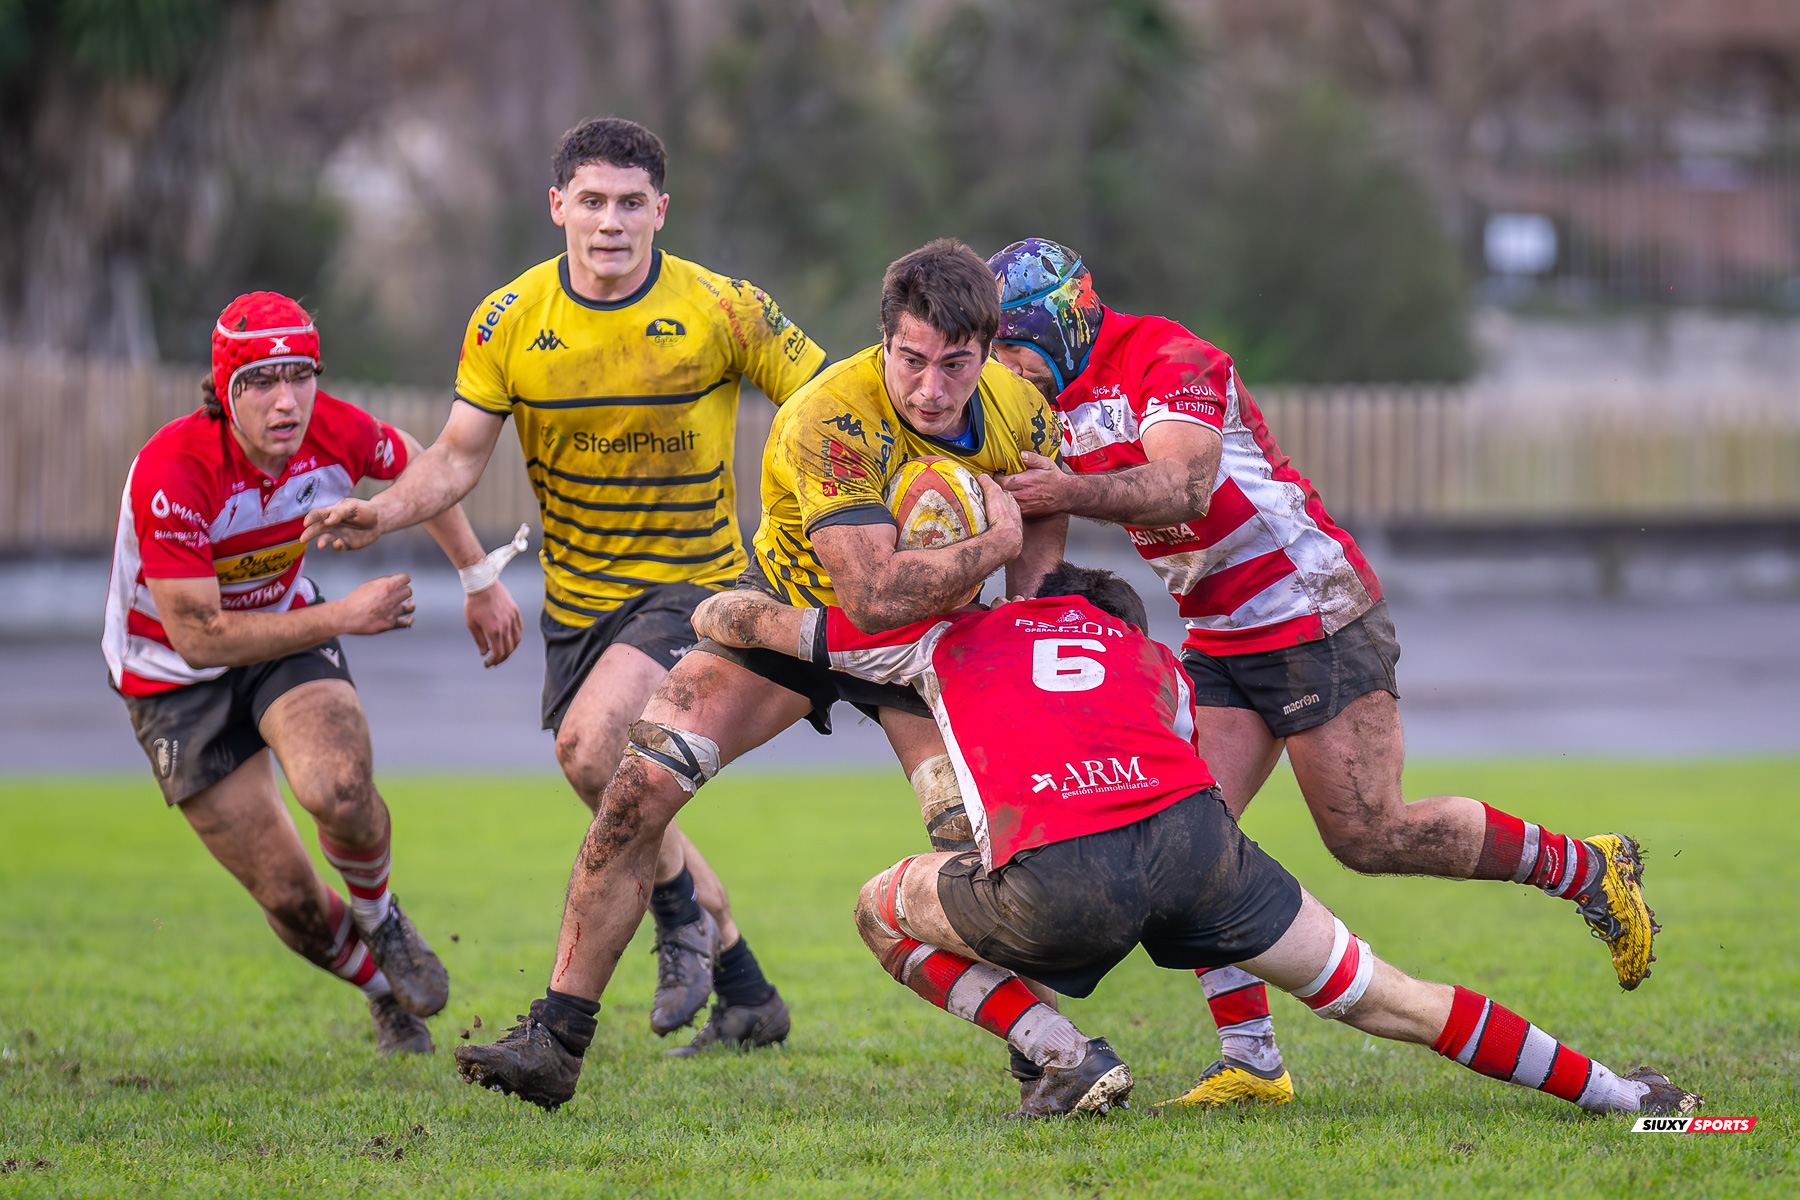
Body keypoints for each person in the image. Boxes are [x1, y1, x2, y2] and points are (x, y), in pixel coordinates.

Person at [984, 238, 1659, 1107]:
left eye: (1014, 345)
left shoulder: (1168, 356)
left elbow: (1186, 487)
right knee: (1187, 846)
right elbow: (1038, 550)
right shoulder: (1035, 406)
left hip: (1312, 613)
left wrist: (1062, 491)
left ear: (1069, 319)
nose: (1006, 368)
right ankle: (1253, 1061)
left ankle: (1585, 867)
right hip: (1217, 635)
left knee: (1371, 834)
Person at [684, 563, 1701, 1120]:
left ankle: (1065, 1055)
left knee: (879, 908)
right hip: (1196, 841)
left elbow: (754, 622)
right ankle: (1624, 1095)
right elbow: (1166, 747)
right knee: (1386, 994)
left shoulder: (952, 634)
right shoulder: (1152, 656)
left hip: (1060, 876)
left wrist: (724, 602)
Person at [449, 237, 1067, 1110]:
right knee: (634, 791)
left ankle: (1047, 1053)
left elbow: (1042, 528)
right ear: (883, 339)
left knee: (982, 847)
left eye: (955, 365)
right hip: (796, 624)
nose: (931, 389)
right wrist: (995, 540)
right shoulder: (830, 414)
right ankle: (555, 1039)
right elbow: (874, 592)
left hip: (934, 646)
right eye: (912, 361)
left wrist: (1022, 626)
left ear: (987, 349)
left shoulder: (1018, 408)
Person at [302, 118, 829, 1047]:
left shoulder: (724, 309)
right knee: (629, 789)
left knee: (594, 754)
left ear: (662, 211)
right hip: (577, 608)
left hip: (693, 589)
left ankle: (675, 928)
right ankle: (744, 986)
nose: (612, 222)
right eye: (593, 201)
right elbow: (457, 456)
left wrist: (840, 508)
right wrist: (382, 512)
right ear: (558, 208)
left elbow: (826, 400)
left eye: (632, 204)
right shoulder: (509, 319)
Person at [103, 291, 524, 1053]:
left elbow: (428, 471)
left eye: (300, 375)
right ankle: (383, 991)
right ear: (223, 389)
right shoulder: (174, 471)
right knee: (290, 897)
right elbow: (198, 639)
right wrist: (342, 617)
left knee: (338, 788)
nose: (286, 399)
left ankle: (381, 915)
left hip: (283, 637)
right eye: (260, 381)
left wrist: (477, 577)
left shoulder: (335, 430)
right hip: (169, 679)